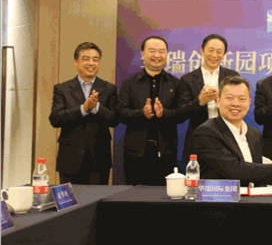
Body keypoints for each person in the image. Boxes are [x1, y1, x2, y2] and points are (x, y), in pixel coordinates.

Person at [193, 76, 272, 186]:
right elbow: (233, 169)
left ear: (249, 103)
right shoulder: (206, 132)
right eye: (229, 98)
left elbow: (257, 174)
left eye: (242, 99)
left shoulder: (254, 134)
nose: (236, 103)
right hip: (220, 196)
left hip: (252, 196)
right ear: (218, 101)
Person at [49, 42, 119, 185]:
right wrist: (83, 108)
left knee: (98, 198)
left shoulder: (109, 88)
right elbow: (55, 119)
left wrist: (96, 108)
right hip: (70, 158)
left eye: (95, 59)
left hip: (99, 157)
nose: (91, 63)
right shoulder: (62, 89)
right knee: (71, 198)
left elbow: (114, 119)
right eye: (86, 59)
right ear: (76, 62)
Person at [117, 36, 183, 186]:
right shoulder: (129, 83)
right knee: (134, 194)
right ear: (142, 54)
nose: (157, 55)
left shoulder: (175, 83)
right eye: (152, 51)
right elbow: (120, 112)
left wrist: (164, 113)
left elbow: (182, 114)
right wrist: (142, 113)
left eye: (162, 51)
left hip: (166, 153)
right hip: (136, 153)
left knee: (164, 196)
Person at [178, 34, 239, 164]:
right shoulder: (188, 79)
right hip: (198, 134)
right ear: (202, 50)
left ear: (224, 54)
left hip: (227, 135)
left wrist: (222, 100)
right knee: (197, 173)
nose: (214, 55)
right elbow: (181, 113)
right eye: (211, 50)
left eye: (219, 51)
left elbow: (239, 104)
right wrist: (200, 101)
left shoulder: (232, 77)